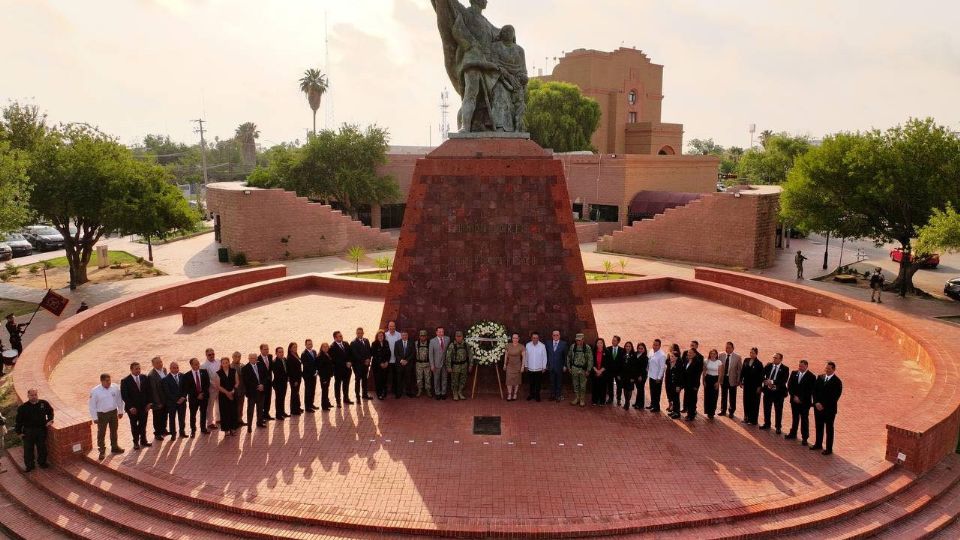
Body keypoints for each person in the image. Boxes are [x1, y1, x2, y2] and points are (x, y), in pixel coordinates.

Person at [15, 388, 54, 471]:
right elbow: (18, 421)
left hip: (41, 430)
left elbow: (50, 411)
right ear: (28, 396)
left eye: (35, 394)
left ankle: (42, 463)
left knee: (42, 448)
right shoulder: (23, 408)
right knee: (28, 450)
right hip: (28, 431)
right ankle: (30, 466)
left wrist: (50, 420)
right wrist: (19, 432)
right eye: (31, 395)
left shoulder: (43, 403)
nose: (34, 397)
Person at [89, 373, 124, 460]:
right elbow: (92, 405)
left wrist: (120, 411)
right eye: (106, 381)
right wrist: (95, 418)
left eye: (109, 380)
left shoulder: (115, 387)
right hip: (102, 414)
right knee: (101, 433)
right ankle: (102, 450)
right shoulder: (95, 391)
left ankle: (114, 446)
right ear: (102, 381)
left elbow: (119, 399)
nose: (109, 382)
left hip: (113, 412)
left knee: (114, 430)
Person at [812, 361, 843, 456]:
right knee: (819, 426)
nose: (827, 370)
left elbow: (835, 397)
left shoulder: (837, 382)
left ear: (833, 369)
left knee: (829, 429)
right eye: (826, 368)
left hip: (829, 410)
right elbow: (815, 391)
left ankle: (829, 448)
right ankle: (818, 444)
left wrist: (823, 405)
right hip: (817, 407)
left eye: (829, 369)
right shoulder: (820, 377)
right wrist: (816, 402)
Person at [120, 362, 152, 450]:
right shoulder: (125, 381)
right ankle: (136, 442)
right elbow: (124, 395)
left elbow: (149, 391)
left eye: (139, 368)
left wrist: (149, 403)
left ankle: (143, 440)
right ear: (131, 370)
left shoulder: (144, 377)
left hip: (144, 407)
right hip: (132, 409)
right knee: (134, 425)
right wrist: (130, 407)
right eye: (136, 369)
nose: (138, 370)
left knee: (143, 424)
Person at [786, 359, 816, 446]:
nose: (800, 368)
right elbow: (789, 385)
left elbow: (810, 390)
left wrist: (801, 398)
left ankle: (805, 438)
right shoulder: (794, 373)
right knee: (795, 418)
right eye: (799, 366)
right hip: (794, 401)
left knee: (804, 420)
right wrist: (794, 396)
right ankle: (793, 433)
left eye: (802, 366)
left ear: (806, 366)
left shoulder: (811, 377)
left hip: (804, 403)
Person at [761, 353, 790, 433]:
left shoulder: (785, 369)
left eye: (776, 358)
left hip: (778, 393)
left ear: (781, 359)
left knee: (778, 410)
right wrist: (766, 381)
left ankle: (778, 427)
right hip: (768, 392)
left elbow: (783, 380)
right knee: (767, 408)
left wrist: (772, 382)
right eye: (773, 357)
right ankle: (767, 424)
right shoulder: (768, 366)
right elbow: (762, 375)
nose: (774, 359)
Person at [182, 357, 211, 437]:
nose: (198, 365)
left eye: (198, 364)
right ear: (191, 365)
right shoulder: (187, 375)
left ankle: (203, 428)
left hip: (204, 397)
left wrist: (202, 394)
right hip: (193, 399)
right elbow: (187, 388)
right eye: (195, 364)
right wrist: (197, 395)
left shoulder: (204, 372)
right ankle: (193, 431)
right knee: (193, 415)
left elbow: (207, 384)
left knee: (203, 413)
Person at [161, 362, 188, 440]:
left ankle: (182, 432)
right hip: (172, 403)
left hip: (182, 402)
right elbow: (167, 392)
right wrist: (176, 400)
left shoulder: (183, 376)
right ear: (170, 369)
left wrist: (183, 397)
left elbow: (185, 388)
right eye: (174, 368)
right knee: (172, 419)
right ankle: (173, 434)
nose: (176, 369)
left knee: (182, 418)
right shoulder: (165, 379)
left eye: (177, 367)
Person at [445, 331, 474, 401]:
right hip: (455, 366)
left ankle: (460, 392)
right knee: (454, 381)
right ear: (455, 337)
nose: (459, 338)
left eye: (460, 336)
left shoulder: (465, 345)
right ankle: (455, 393)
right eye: (457, 336)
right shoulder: (452, 345)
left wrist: (470, 365)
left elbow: (470, 355)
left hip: (464, 365)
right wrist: (448, 367)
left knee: (463, 380)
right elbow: (448, 357)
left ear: (462, 337)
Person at [566, 333, 593, 407]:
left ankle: (582, 399)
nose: (579, 342)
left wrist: (588, 370)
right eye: (577, 340)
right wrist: (569, 367)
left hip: (583, 369)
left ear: (583, 340)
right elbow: (568, 357)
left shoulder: (587, 348)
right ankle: (577, 398)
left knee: (583, 385)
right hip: (574, 368)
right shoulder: (573, 347)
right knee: (575, 385)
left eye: (580, 340)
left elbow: (590, 359)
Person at [241, 353, 267, 431]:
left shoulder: (261, 365)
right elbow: (247, 381)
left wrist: (262, 385)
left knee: (260, 408)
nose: (253, 360)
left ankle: (259, 422)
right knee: (250, 410)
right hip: (252, 393)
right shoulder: (245, 368)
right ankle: (249, 426)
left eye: (255, 358)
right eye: (251, 358)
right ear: (248, 359)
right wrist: (257, 386)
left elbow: (266, 376)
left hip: (261, 391)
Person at [740, 347, 764, 425]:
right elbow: (742, 371)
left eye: (753, 353)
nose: (751, 354)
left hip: (755, 387)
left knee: (754, 403)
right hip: (746, 385)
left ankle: (753, 420)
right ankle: (746, 417)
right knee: (746, 401)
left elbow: (761, 377)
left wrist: (759, 387)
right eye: (750, 352)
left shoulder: (759, 364)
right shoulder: (746, 360)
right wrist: (740, 381)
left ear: (756, 354)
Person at [147, 356, 168, 441]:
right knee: (157, 418)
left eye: (160, 362)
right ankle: (157, 433)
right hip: (158, 401)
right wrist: (157, 403)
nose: (160, 364)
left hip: (165, 399)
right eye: (157, 363)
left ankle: (163, 430)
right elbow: (154, 390)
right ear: (153, 364)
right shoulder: (151, 375)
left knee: (164, 415)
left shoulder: (164, 370)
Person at [718, 342, 742, 418]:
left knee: (732, 396)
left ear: (732, 348)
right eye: (726, 347)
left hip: (732, 379)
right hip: (723, 378)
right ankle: (723, 410)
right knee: (723, 395)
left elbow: (739, 370)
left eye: (729, 347)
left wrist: (738, 380)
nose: (727, 349)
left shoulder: (737, 357)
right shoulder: (721, 355)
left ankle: (731, 411)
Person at [216, 356, 238, 436]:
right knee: (225, 412)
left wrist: (232, 391)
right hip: (223, 395)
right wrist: (227, 393)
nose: (225, 364)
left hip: (232, 393)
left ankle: (233, 428)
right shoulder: (218, 373)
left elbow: (237, 382)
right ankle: (226, 430)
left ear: (229, 363)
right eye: (223, 363)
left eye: (226, 362)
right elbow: (218, 386)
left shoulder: (233, 371)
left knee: (233, 411)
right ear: (221, 364)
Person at [330, 331, 354, 407]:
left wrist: (350, 362)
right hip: (338, 371)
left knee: (346, 385)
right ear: (335, 338)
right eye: (339, 336)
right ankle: (338, 401)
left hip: (347, 370)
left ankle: (346, 398)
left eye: (341, 336)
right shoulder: (332, 347)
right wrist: (345, 363)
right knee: (338, 386)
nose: (341, 337)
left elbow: (351, 354)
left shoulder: (346, 343)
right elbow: (334, 360)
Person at [683, 343, 704, 421]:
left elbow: (698, 375)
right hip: (687, 384)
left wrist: (695, 385)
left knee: (692, 400)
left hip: (693, 385)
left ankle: (691, 415)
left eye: (691, 353)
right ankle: (688, 413)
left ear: (695, 354)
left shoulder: (697, 362)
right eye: (688, 353)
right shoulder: (686, 360)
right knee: (688, 399)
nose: (689, 354)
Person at [350, 327, 373, 401]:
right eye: (358, 333)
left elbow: (369, 351)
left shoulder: (366, 341)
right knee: (357, 380)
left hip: (365, 365)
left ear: (363, 333)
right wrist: (364, 360)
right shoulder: (353, 343)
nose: (360, 334)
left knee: (365, 380)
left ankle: (365, 394)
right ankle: (357, 396)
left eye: (361, 333)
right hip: (357, 366)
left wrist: (369, 359)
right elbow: (355, 355)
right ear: (356, 334)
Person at [545, 330, 568, 402]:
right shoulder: (548, 343)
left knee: (559, 382)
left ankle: (558, 395)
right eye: (554, 335)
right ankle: (552, 395)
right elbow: (546, 355)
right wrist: (546, 364)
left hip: (559, 367)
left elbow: (566, 356)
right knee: (552, 382)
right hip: (551, 366)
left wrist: (565, 365)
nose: (555, 336)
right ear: (552, 336)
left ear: (559, 336)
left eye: (557, 335)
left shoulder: (564, 344)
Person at [201, 348, 220, 431]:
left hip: (220, 386)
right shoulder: (203, 366)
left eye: (213, 354)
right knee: (210, 405)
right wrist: (214, 384)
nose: (212, 356)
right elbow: (206, 378)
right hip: (211, 388)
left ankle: (218, 418)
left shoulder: (218, 361)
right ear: (206, 355)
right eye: (209, 354)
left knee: (219, 403)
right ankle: (210, 422)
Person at [524, 332, 547, 401]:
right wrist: (526, 365)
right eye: (534, 338)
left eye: (536, 338)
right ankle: (531, 395)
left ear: (538, 338)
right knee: (531, 383)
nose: (535, 339)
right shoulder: (528, 345)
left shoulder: (542, 346)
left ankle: (537, 395)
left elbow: (544, 357)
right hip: (530, 368)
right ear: (531, 338)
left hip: (539, 368)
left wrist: (544, 367)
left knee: (538, 383)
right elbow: (526, 356)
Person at [429, 327, 450, 400]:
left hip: (445, 363)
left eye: (442, 332)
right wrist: (432, 365)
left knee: (444, 379)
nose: (441, 333)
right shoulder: (432, 341)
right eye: (439, 332)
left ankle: (443, 393)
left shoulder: (447, 339)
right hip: (436, 364)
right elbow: (430, 354)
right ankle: (437, 393)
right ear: (436, 332)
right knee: (436, 379)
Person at [371, 330, 392, 400]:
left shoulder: (386, 343)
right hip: (377, 365)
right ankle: (379, 394)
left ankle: (384, 392)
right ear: (377, 336)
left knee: (384, 379)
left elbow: (389, 353)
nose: (380, 337)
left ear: (384, 336)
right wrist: (380, 363)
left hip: (385, 365)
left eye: (382, 336)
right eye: (379, 336)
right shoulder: (374, 344)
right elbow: (374, 355)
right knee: (378, 380)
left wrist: (387, 362)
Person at [394, 330, 416, 398]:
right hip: (399, 364)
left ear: (407, 335)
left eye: (405, 335)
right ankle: (399, 393)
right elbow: (396, 353)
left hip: (408, 364)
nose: (404, 336)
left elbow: (413, 353)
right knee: (399, 380)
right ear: (401, 335)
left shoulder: (411, 343)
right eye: (403, 335)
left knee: (408, 379)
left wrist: (407, 360)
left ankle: (408, 392)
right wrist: (401, 360)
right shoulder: (397, 343)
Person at [647, 339, 666, 413]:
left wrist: (659, 377)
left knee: (657, 392)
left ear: (659, 346)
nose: (655, 346)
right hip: (651, 375)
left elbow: (662, 367)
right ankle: (652, 404)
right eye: (654, 344)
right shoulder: (651, 351)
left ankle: (656, 407)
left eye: (656, 345)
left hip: (657, 377)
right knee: (652, 391)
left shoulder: (662, 355)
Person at [702, 349, 723, 419]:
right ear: (709, 354)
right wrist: (703, 381)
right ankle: (707, 411)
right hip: (708, 379)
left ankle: (712, 412)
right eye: (711, 353)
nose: (713, 355)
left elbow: (720, 373)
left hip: (715, 379)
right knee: (707, 396)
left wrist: (718, 382)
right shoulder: (706, 361)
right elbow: (704, 371)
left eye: (714, 354)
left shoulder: (719, 362)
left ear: (716, 355)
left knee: (714, 396)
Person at [503, 333, 524, 401]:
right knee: (509, 380)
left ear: (518, 338)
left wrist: (522, 366)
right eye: (513, 338)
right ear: (512, 339)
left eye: (516, 338)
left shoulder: (521, 346)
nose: (515, 339)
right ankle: (509, 394)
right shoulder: (508, 345)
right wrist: (504, 364)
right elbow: (506, 356)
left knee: (516, 380)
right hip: (510, 365)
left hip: (518, 365)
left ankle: (515, 394)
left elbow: (524, 357)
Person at [256, 344, 275, 420]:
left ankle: (267, 413)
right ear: (261, 350)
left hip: (269, 382)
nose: (266, 350)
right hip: (262, 383)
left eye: (267, 349)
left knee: (268, 399)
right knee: (261, 400)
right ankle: (261, 416)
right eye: (264, 349)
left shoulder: (270, 356)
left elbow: (271, 369)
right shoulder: (258, 359)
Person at [271, 346, 289, 419]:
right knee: (278, 399)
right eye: (279, 352)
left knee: (283, 397)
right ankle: (278, 414)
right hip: (278, 383)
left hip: (284, 383)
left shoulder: (284, 359)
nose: (281, 353)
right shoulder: (275, 362)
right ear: (276, 353)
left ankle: (282, 412)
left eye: (282, 352)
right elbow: (277, 374)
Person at [384, 321, 402, 396]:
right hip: (387, 360)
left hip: (396, 359)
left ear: (395, 326)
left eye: (393, 326)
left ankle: (395, 391)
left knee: (396, 376)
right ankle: (385, 391)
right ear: (388, 327)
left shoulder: (399, 335)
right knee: (386, 376)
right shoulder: (385, 335)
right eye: (390, 326)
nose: (392, 328)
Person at [301, 339, 319, 412]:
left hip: (314, 375)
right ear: (305, 345)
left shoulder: (314, 352)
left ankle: (311, 404)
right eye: (308, 344)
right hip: (308, 375)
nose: (310, 345)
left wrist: (317, 370)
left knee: (312, 390)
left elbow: (316, 362)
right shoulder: (304, 354)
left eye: (311, 344)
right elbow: (306, 365)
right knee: (308, 391)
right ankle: (307, 407)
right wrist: (313, 372)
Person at [629, 342, 649, 410]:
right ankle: (637, 403)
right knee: (638, 389)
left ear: (644, 349)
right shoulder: (635, 354)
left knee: (640, 390)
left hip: (641, 376)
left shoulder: (645, 357)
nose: (640, 350)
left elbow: (644, 368)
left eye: (641, 348)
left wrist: (640, 376)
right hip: (635, 375)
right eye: (639, 348)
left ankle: (640, 405)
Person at [413, 330, 432, 398]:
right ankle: (419, 390)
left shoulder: (430, 343)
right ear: (419, 336)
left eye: (424, 336)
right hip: (419, 364)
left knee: (428, 378)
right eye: (421, 336)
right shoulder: (416, 343)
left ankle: (428, 390)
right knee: (419, 378)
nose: (423, 337)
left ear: (426, 336)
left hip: (427, 363)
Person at [606, 336, 624, 405]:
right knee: (610, 385)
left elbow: (622, 363)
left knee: (619, 386)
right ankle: (610, 398)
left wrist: (620, 374)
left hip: (618, 373)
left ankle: (618, 399)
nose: (613, 342)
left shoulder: (622, 350)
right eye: (612, 340)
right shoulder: (608, 349)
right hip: (610, 372)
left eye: (615, 341)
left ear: (618, 342)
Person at [667, 347, 685, 419]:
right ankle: (674, 411)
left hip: (676, 385)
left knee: (676, 399)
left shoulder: (679, 366)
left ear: (677, 358)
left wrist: (679, 386)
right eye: (671, 356)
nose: (671, 358)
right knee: (672, 397)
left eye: (673, 356)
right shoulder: (669, 363)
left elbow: (680, 377)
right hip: (670, 384)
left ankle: (677, 413)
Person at [619, 341, 638, 410]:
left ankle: (627, 402)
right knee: (625, 389)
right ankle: (626, 401)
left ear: (631, 347)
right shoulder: (622, 354)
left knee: (629, 389)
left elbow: (635, 367)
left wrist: (633, 377)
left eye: (629, 346)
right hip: (624, 376)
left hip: (631, 376)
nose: (628, 348)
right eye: (626, 346)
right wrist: (620, 375)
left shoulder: (634, 355)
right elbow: (620, 365)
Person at [590, 338, 608, 406]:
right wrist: (596, 371)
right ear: (596, 344)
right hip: (595, 372)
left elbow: (607, 364)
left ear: (603, 344)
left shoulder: (607, 352)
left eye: (601, 343)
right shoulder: (593, 351)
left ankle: (602, 401)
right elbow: (592, 362)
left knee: (603, 387)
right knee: (595, 387)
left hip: (603, 373)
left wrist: (600, 371)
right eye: (598, 343)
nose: (599, 344)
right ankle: (594, 400)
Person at [287, 342, 303, 415]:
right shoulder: (290, 357)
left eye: (296, 347)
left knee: (296, 393)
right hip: (294, 379)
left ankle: (297, 407)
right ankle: (294, 410)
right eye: (294, 347)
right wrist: (295, 380)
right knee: (294, 393)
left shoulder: (295, 354)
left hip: (298, 378)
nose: (295, 348)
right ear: (290, 349)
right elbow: (291, 371)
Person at [230, 352, 246, 426]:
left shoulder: (242, 366)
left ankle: (240, 419)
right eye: (236, 356)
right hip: (234, 390)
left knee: (241, 405)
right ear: (232, 357)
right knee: (234, 406)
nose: (237, 358)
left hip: (242, 390)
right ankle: (234, 421)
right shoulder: (230, 367)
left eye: (239, 356)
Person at [317, 343, 334, 410]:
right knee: (324, 391)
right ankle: (324, 406)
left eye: (327, 347)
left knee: (326, 390)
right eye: (324, 347)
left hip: (327, 376)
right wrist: (323, 379)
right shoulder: (321, 356)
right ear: (321, 348)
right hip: (324, 377)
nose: (326, 348)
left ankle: (327, 403)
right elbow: (320, 369)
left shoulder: (327, 354)